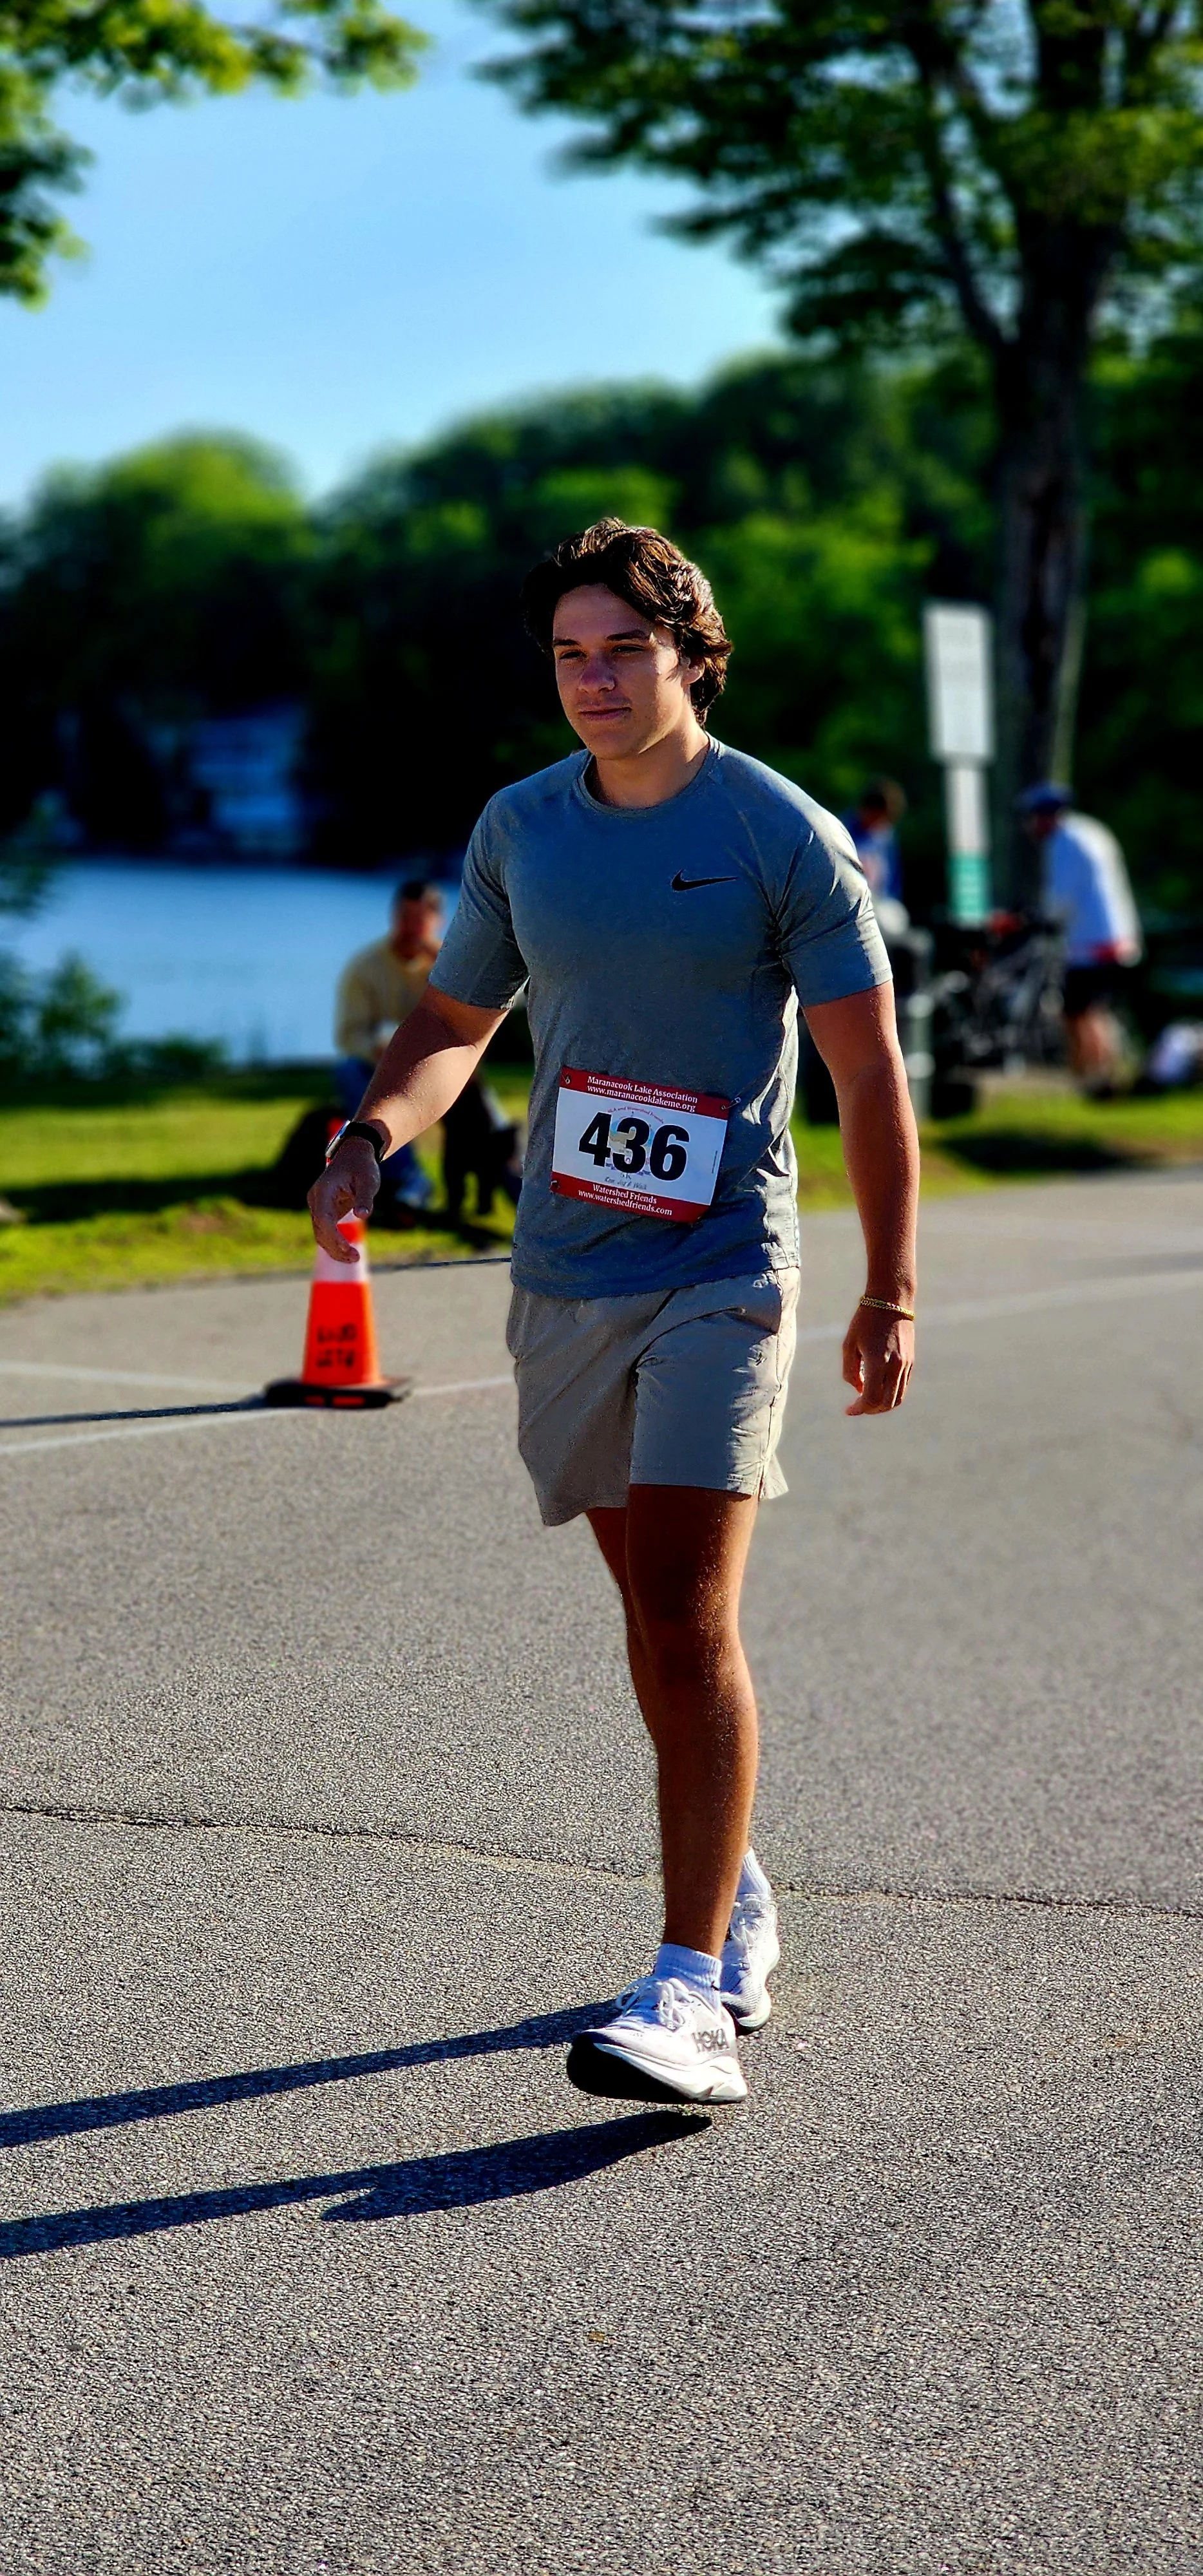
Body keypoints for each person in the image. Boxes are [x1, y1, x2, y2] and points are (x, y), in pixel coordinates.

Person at [309, 518, 918, 2110]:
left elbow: (863, 1072)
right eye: (568, 653)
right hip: (566, 1270)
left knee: (681, 1615)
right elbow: (453, 1017)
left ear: (687, 651)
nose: (591, 678)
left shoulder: (776, 832)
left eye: (620, 649)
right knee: (646, 1618)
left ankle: (686, 1989)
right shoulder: (522, 827)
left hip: (725, 1266)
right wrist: (376, 1129)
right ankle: (734, 1886)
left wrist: (890, 1289)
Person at [1018, 783, 1143, 1090]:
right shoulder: (1092, 831)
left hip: (1092, 941)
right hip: (1117, 935)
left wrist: (1038, 918)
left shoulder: (1064, 842)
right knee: (1094, 1008)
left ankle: (1092, 1075)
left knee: (1079, 1011)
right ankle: (1101, 1073)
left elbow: (1061, 898)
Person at [334, 880, 444, 1211]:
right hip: (379, 1066)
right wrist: (377, 1049)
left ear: (436, 922)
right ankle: (409, 1177)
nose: (411, 927)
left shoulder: (453, 966)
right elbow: (349, 1034)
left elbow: (511, 1005)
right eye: (405, 917)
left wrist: (442, 959)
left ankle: (526, 1196)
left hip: (440, 1067)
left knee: (487, 1112)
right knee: (349, 1072)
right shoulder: (366, 967)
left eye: (420, 918)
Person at [842, 779, 907, 907]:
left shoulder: (886, 835)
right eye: (878, 818)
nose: (879, 825)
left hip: (881, 902)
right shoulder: (843, 830)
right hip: (851, 900)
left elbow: (893, 881)